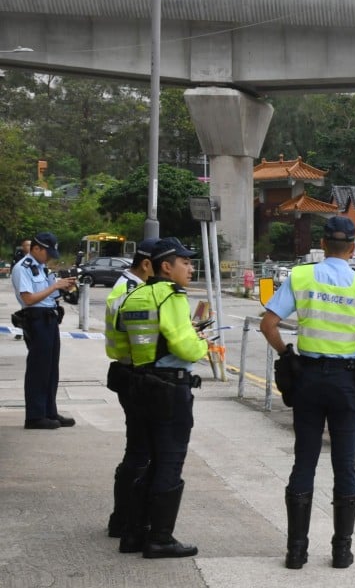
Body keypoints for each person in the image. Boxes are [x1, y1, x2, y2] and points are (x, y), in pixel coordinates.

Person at [260, 215, 355, 571]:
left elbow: (268, 325)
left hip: (308, 380)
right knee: (345, 465)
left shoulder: (301, 276)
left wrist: (287, 354)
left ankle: (296, 552)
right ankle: (341, 552)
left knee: (304, 461)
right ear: (351, 247)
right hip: (346, 382)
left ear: (323, 243)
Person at [119, 237, 207, 559]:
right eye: (184, 262)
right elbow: (185, 348)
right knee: (169, 462)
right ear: (166, 267)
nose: (190, 267)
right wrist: (202, 345)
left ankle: (133, 534)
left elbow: (116, 346)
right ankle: (160, 538)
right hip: (170, 389)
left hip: (140, 385)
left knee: (150, 462)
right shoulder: (171, 296)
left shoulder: (135, 295)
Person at [103, 237, 160, 547]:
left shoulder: (127, 287)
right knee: (140, 451)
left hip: (128, 373)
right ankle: (126, 519)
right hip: (135, 374)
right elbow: (141, 338)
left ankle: (122, 517)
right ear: (147, 264)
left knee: (138, 449)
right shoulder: (131, 292)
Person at [12, 232, 78, 430]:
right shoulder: (22, 268)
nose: (49, 257)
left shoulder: (40, 268)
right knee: (38, 369)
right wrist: (54, 286)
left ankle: (49, 410)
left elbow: (49, 294)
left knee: (50, 368)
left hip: (49, 318)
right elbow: (28, 299)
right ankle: (35, 415)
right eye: (47, 252)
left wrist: (64, 287)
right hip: (36, 319)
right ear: (36, 248)